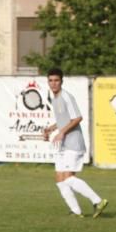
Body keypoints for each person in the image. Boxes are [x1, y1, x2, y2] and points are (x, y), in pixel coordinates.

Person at [43, 68, 108, 219]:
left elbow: (77, 118)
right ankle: (76, 211)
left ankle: (98, 201)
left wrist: (62, 132)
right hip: (63, 144)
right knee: (60, 179)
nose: (53, 83)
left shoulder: (66, 96)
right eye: (51, 80)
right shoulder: (55, 98)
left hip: (73, 143)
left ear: (61, 81)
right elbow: (64, 120)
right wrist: (51, 129)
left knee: (68, 178)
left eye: (56, 80)